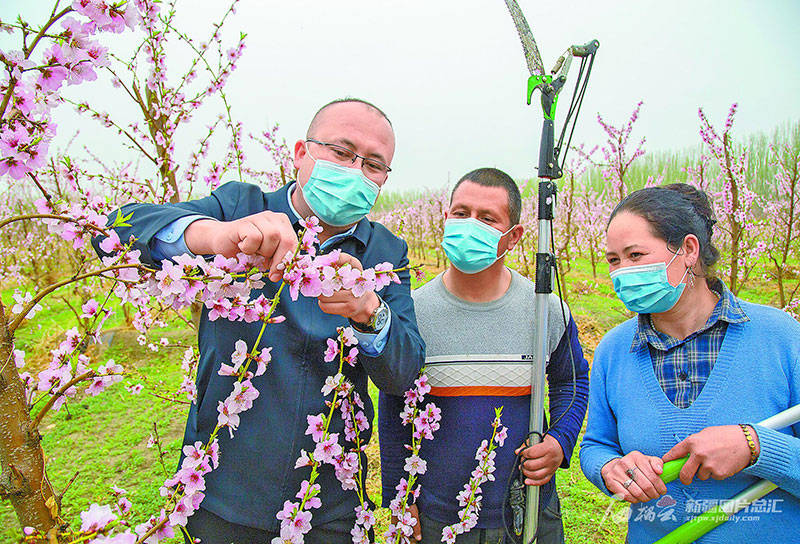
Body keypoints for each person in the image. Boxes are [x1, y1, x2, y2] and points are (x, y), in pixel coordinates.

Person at [93, 98, 425, 543]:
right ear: (300, 153)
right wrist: (215, 236)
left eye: (374, 165)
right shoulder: (240, 205)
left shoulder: (386, 252)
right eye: (342, 153)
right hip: (222, 485)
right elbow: (117, 230)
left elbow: (403, 370)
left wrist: (370, 311)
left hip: (330, 503)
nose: (355, 171)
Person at [379, 168, 590, 544]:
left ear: (514, 236)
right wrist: (399, 496)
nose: (469, 225)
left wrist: (559, 440)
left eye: (487, 218)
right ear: (445, 219)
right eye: (461, 213)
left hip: (526, 510)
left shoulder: (545, 311)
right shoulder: (411, 312)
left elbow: (570, 381)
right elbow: (395, 405)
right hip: (435, 517)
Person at [580, 184, 800, 542]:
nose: (621, 272)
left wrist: (755, 445)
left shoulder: (780, 337)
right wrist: (610, 468)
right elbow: (596, 443)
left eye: (635, 255)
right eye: (613, 260)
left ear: (688, 250)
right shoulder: (614, 350)